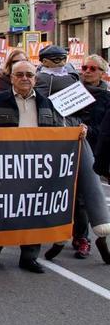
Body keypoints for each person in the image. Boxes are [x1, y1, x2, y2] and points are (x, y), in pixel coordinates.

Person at [0, 61, 74, 273]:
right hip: (5, 166)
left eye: (29, 75)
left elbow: (59, 130)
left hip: (37, 167)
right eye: (19, 74)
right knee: (3, 209)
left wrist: (77, 131)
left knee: (34, 211)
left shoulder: (46, 103)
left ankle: (29, 257)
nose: (24, 78)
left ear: (35, 78)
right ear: (12, 78)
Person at [46, 54, 110, 260]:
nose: (87, 72)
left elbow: (105, 129)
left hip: (92, 150)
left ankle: (83, 239)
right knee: (66, 194)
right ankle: (61, 234)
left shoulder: (106, 97)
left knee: (84, 197)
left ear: (103, 73)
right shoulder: (72, 91)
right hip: (67, 149)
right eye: (84, 68)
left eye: (93, 69)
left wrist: (88, 130)